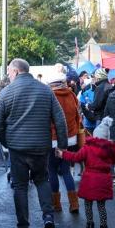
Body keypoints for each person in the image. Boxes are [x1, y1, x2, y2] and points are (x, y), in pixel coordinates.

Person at [0, 58, 67, 228]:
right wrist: (62, 146)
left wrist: (7, 142)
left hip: (18, 148)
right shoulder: (46, 90)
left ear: (16, 72)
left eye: (9, 72)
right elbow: (60, 119)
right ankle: (48, 219)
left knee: (20, 186)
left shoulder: (6, 92)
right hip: (41, 147)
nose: (8, 75)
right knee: (42, 181)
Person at [56, 116, 115, 228]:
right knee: (101, 206)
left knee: (88, 205)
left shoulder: (88, 148)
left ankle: (90, 227)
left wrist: (63, 154)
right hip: (104, 180)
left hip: (90, 180)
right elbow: (114, 161)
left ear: (95, 135)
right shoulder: (111, 150)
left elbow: (75, 158)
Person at [47, 72, 82, 214]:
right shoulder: (72, 94)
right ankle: (74, 204)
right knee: (66, 170)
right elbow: (78, 115)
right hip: (70, 139)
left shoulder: (49, 96)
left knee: (52, 171)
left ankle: (56, 204)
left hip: (53, 140)